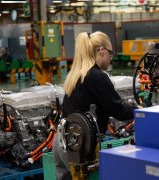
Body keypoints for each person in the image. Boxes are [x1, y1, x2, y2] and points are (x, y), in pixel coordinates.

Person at [53, 31, 140, 180]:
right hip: (79, 147)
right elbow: (118, 110)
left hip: (62, 142)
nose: (111, 59)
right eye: (111, 54)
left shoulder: (76, 74)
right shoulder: (97, 76)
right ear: (101, 51)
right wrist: (140, 111)